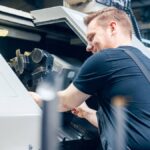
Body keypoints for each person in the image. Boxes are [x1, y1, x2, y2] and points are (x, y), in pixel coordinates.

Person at [31, 7, 150, 150]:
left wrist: (32, 97)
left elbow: (64, 102)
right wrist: (87, 113)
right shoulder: (144, 61)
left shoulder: (106, 58)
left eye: (92, 37)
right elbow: (129, 124)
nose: (88, 47)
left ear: (112, 27)